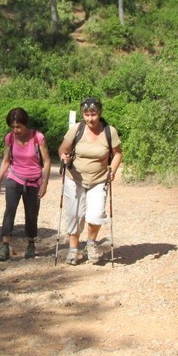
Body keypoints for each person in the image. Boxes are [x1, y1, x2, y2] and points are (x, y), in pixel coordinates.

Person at [58, 97, 122, 265]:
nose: (89, 119)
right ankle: (73, 249)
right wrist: (63, 157)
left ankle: (91, 243)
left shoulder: (109, 131)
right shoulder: (76, 129)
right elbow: (63, 150)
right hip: (75, 179)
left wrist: (112, 171)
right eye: (86, 114)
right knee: (75, 214)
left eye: (93, 114)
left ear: (99, 113)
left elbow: (117, 153)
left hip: (99, 180)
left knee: (96, 214)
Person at [0, 108, 51, 260]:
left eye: (18, 127)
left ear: (26, 124)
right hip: (14, 178)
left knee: (31, 214)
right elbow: (6, 161)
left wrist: (44, 183)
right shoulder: (10, 138)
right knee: (9, 210)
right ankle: (5, 245)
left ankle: (31, 243)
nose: (15, 130)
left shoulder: (38, 137)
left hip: (33, 181)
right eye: (12, 127)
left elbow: (47, 161)